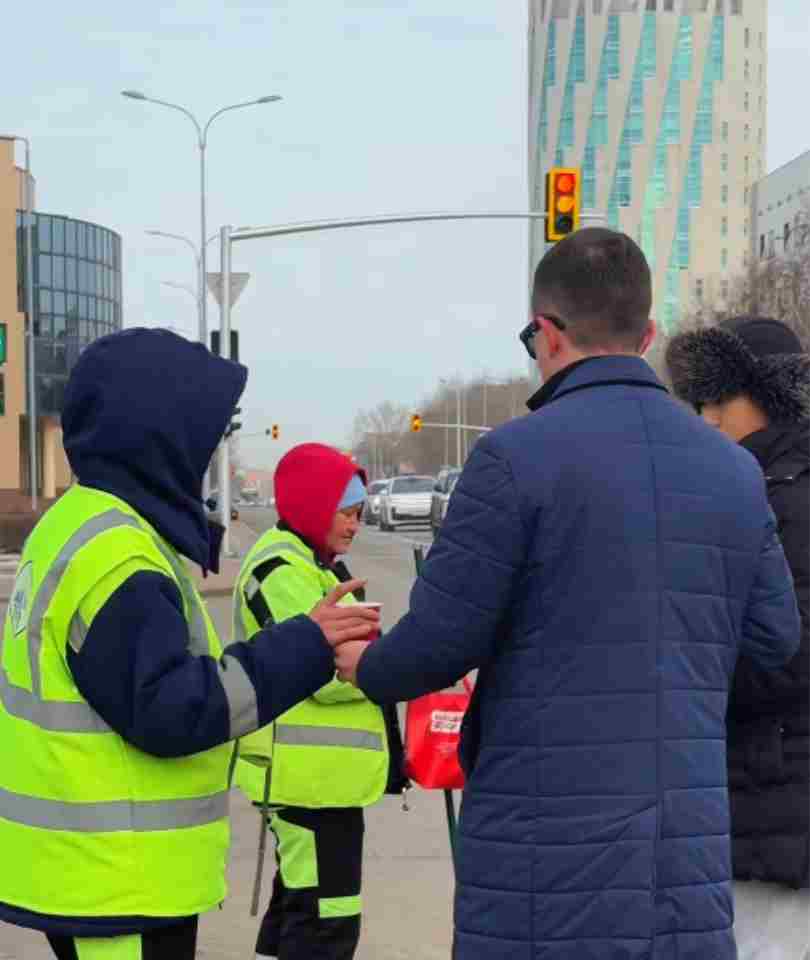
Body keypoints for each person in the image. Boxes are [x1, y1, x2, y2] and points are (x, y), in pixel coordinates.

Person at [329, 228, 802, 960]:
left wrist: (367, 665)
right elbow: (773, 637)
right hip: (682, 866)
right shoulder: (732, 471)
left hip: (542, 872)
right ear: (646, 334)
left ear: (546, 333)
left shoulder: (513, 459)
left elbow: (438, 645)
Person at [0, 329, 379, 960]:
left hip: (91, 869)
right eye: (195, 439)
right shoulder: (117, 554)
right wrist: (307, 647)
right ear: (156, 436)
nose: (202, 459)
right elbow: (174, 708)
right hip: (117, 879)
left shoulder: (83, 524)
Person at [666, 317, 810, 960]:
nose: (705, 417)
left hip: (774, 812)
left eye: (713, 398)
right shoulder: (769, 484)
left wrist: (675, 677)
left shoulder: (778, 497)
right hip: (763, 804)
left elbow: (785, 655)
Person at [232, 443, 405, 960]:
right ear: (311, 504)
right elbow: (325, 665)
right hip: (306, 782)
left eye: (359, 514)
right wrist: (388, 662)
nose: (355, 526)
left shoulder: (315, 566)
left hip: (322, 780)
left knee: (301, 908)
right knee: (325, 922)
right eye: (346, 513)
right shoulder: (279, 569)